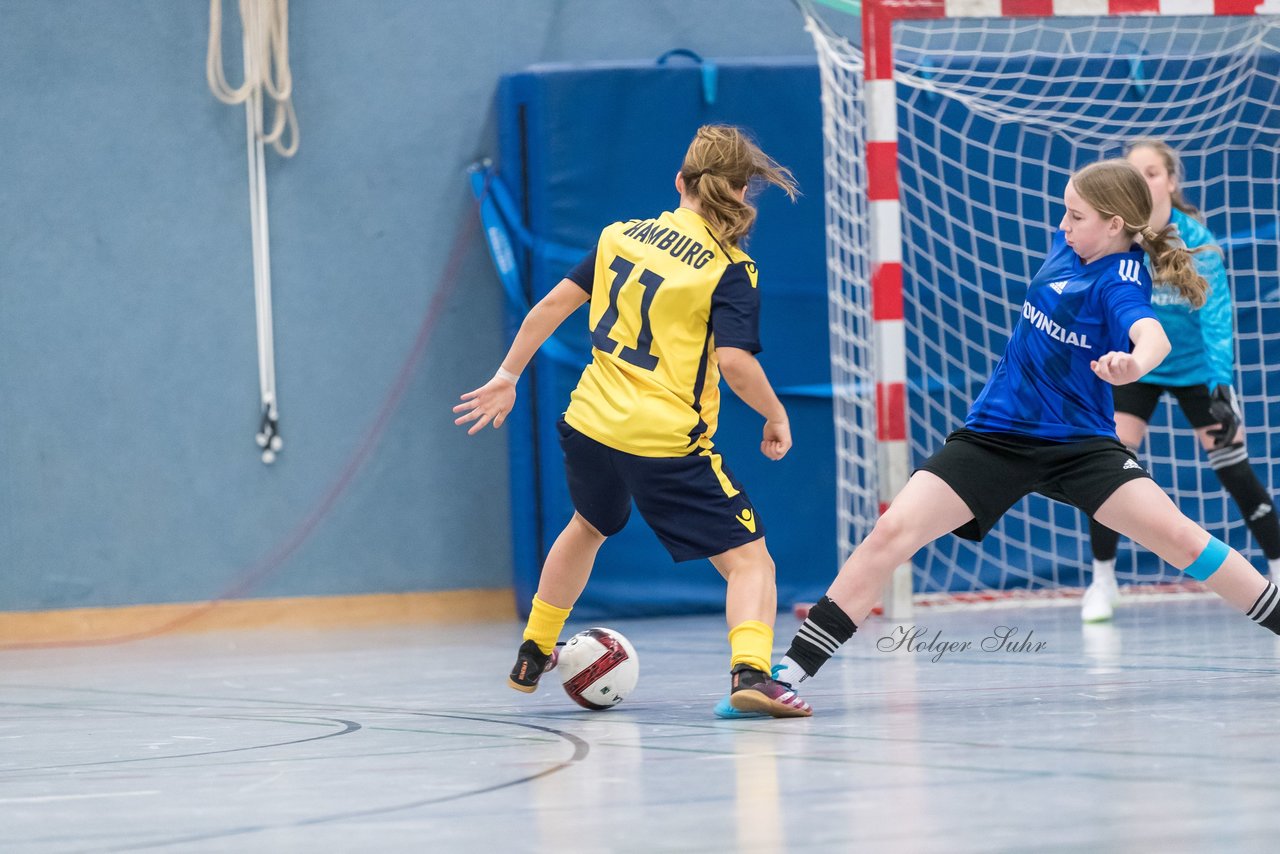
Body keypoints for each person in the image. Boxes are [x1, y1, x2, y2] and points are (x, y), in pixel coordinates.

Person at [770, 158, 1280, 691]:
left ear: (1112, 223)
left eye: (1075, 215)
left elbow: (1154, 336)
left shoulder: (1120, 280)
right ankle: (788, 674)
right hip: (995, 435)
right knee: (892, 532)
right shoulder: (1072, 245)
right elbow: (1075, 249)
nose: (1062, 224)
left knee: (1182, 538)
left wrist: (1134, 364)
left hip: (1080, 446)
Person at [454, 125, 811, 718]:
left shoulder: (621, 236)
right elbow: (735, 363)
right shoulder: (730, 268)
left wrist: (508, 375)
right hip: (663, 438)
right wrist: (775, 415)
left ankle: (534, 649)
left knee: (589, 524)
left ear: (680, 182)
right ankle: (752, 674)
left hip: (589, 422)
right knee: (750, 560)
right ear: (744, 193)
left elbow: (549, 307)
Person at [1080, 138, 1280, 622]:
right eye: (1135, 173)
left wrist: (1220, 386)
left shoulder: (1195, 241)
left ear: (1170, 180)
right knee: (1111, 462)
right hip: (1137, 367)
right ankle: (1103, 580)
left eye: (1152, 172)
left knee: (1233, 465)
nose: (1145, 181)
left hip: (1195, 372)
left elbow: (1216, 318)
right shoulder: (1120, 239)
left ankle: (1276, 566)